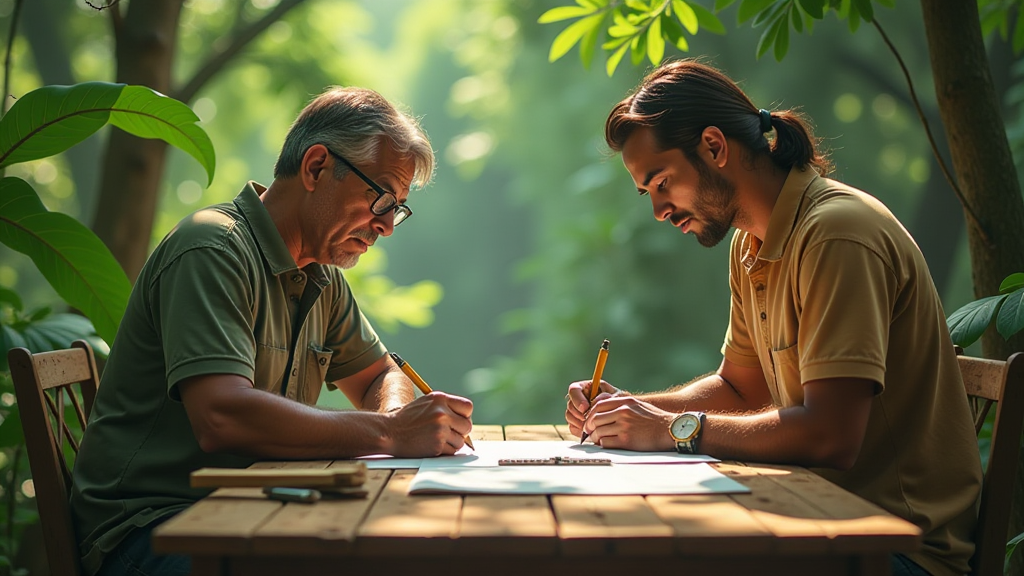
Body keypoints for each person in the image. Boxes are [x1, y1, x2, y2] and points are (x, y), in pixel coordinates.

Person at [565, 59, 981, 576]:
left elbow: (830, 435)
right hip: (810, 522)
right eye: (648, 192)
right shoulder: (751, 245)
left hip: (895, 549)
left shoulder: (837, 234)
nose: (659, 210)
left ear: (715, 147)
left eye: (662, 182)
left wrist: (671, 428)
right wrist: (629, 412)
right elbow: (742, 389)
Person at [71, 87, 474, 576]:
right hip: (150, 530)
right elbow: (222, 417)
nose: (387, 226)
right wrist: (390, 432)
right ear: (317, 167)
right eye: (383, 198)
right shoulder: (212, 249)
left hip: (250, 511)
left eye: (398, 209)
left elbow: (379, 375)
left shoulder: (322, 276)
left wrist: (393, 412)